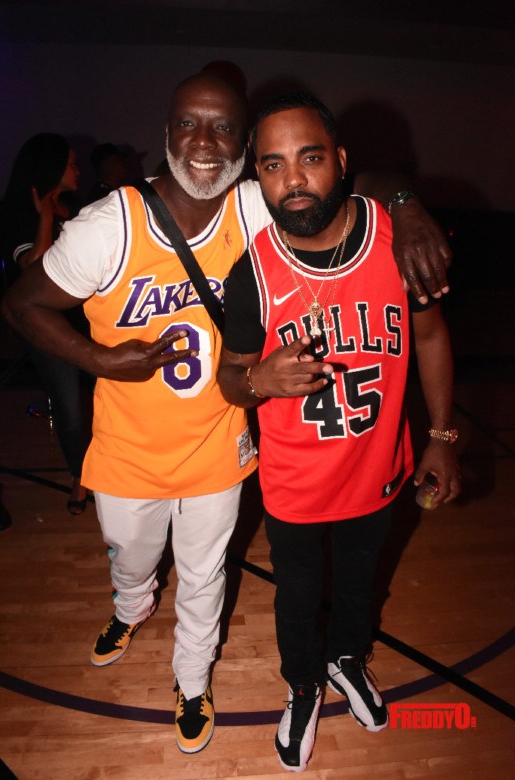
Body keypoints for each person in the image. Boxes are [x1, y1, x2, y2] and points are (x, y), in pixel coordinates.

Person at [2, 71, 452, 756]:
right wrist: (100, 361)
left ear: (242, 149)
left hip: (220, 444)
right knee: (134, 563)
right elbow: (20, 304)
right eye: (188, 124)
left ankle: (194, 680)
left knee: (207, 575)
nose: (205, 142)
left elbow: (347, 178)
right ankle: (130, 606)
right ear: (167, 134)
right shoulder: (109, 226)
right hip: (129, 450)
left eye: (223, 129)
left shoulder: (256, 204)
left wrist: (406, 204)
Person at [217, 92, 461, 772]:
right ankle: (303, 684)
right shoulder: (252, 274)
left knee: (359, 583)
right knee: (296, 597)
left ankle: (347, 659)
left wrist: (442, 437)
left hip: (379, 468)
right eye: (273, 165)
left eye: (311, 158)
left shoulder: (397, 237)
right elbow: (229, 380)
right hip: (295, 484)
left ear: (342, 161)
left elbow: (431, 336)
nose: (293, 180)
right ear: (257, 176)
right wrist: (260, 379)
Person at [0, 133, 90, 515]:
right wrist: (46, 217)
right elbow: (32, 268)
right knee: (69, 406)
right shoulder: (20, 212)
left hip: (85, 318)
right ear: (50, 167)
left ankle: (110, 469)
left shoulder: (77, 207)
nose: (77, 170)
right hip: (47, 326)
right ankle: (79, 479)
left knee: (108, 398)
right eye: (70, 163)